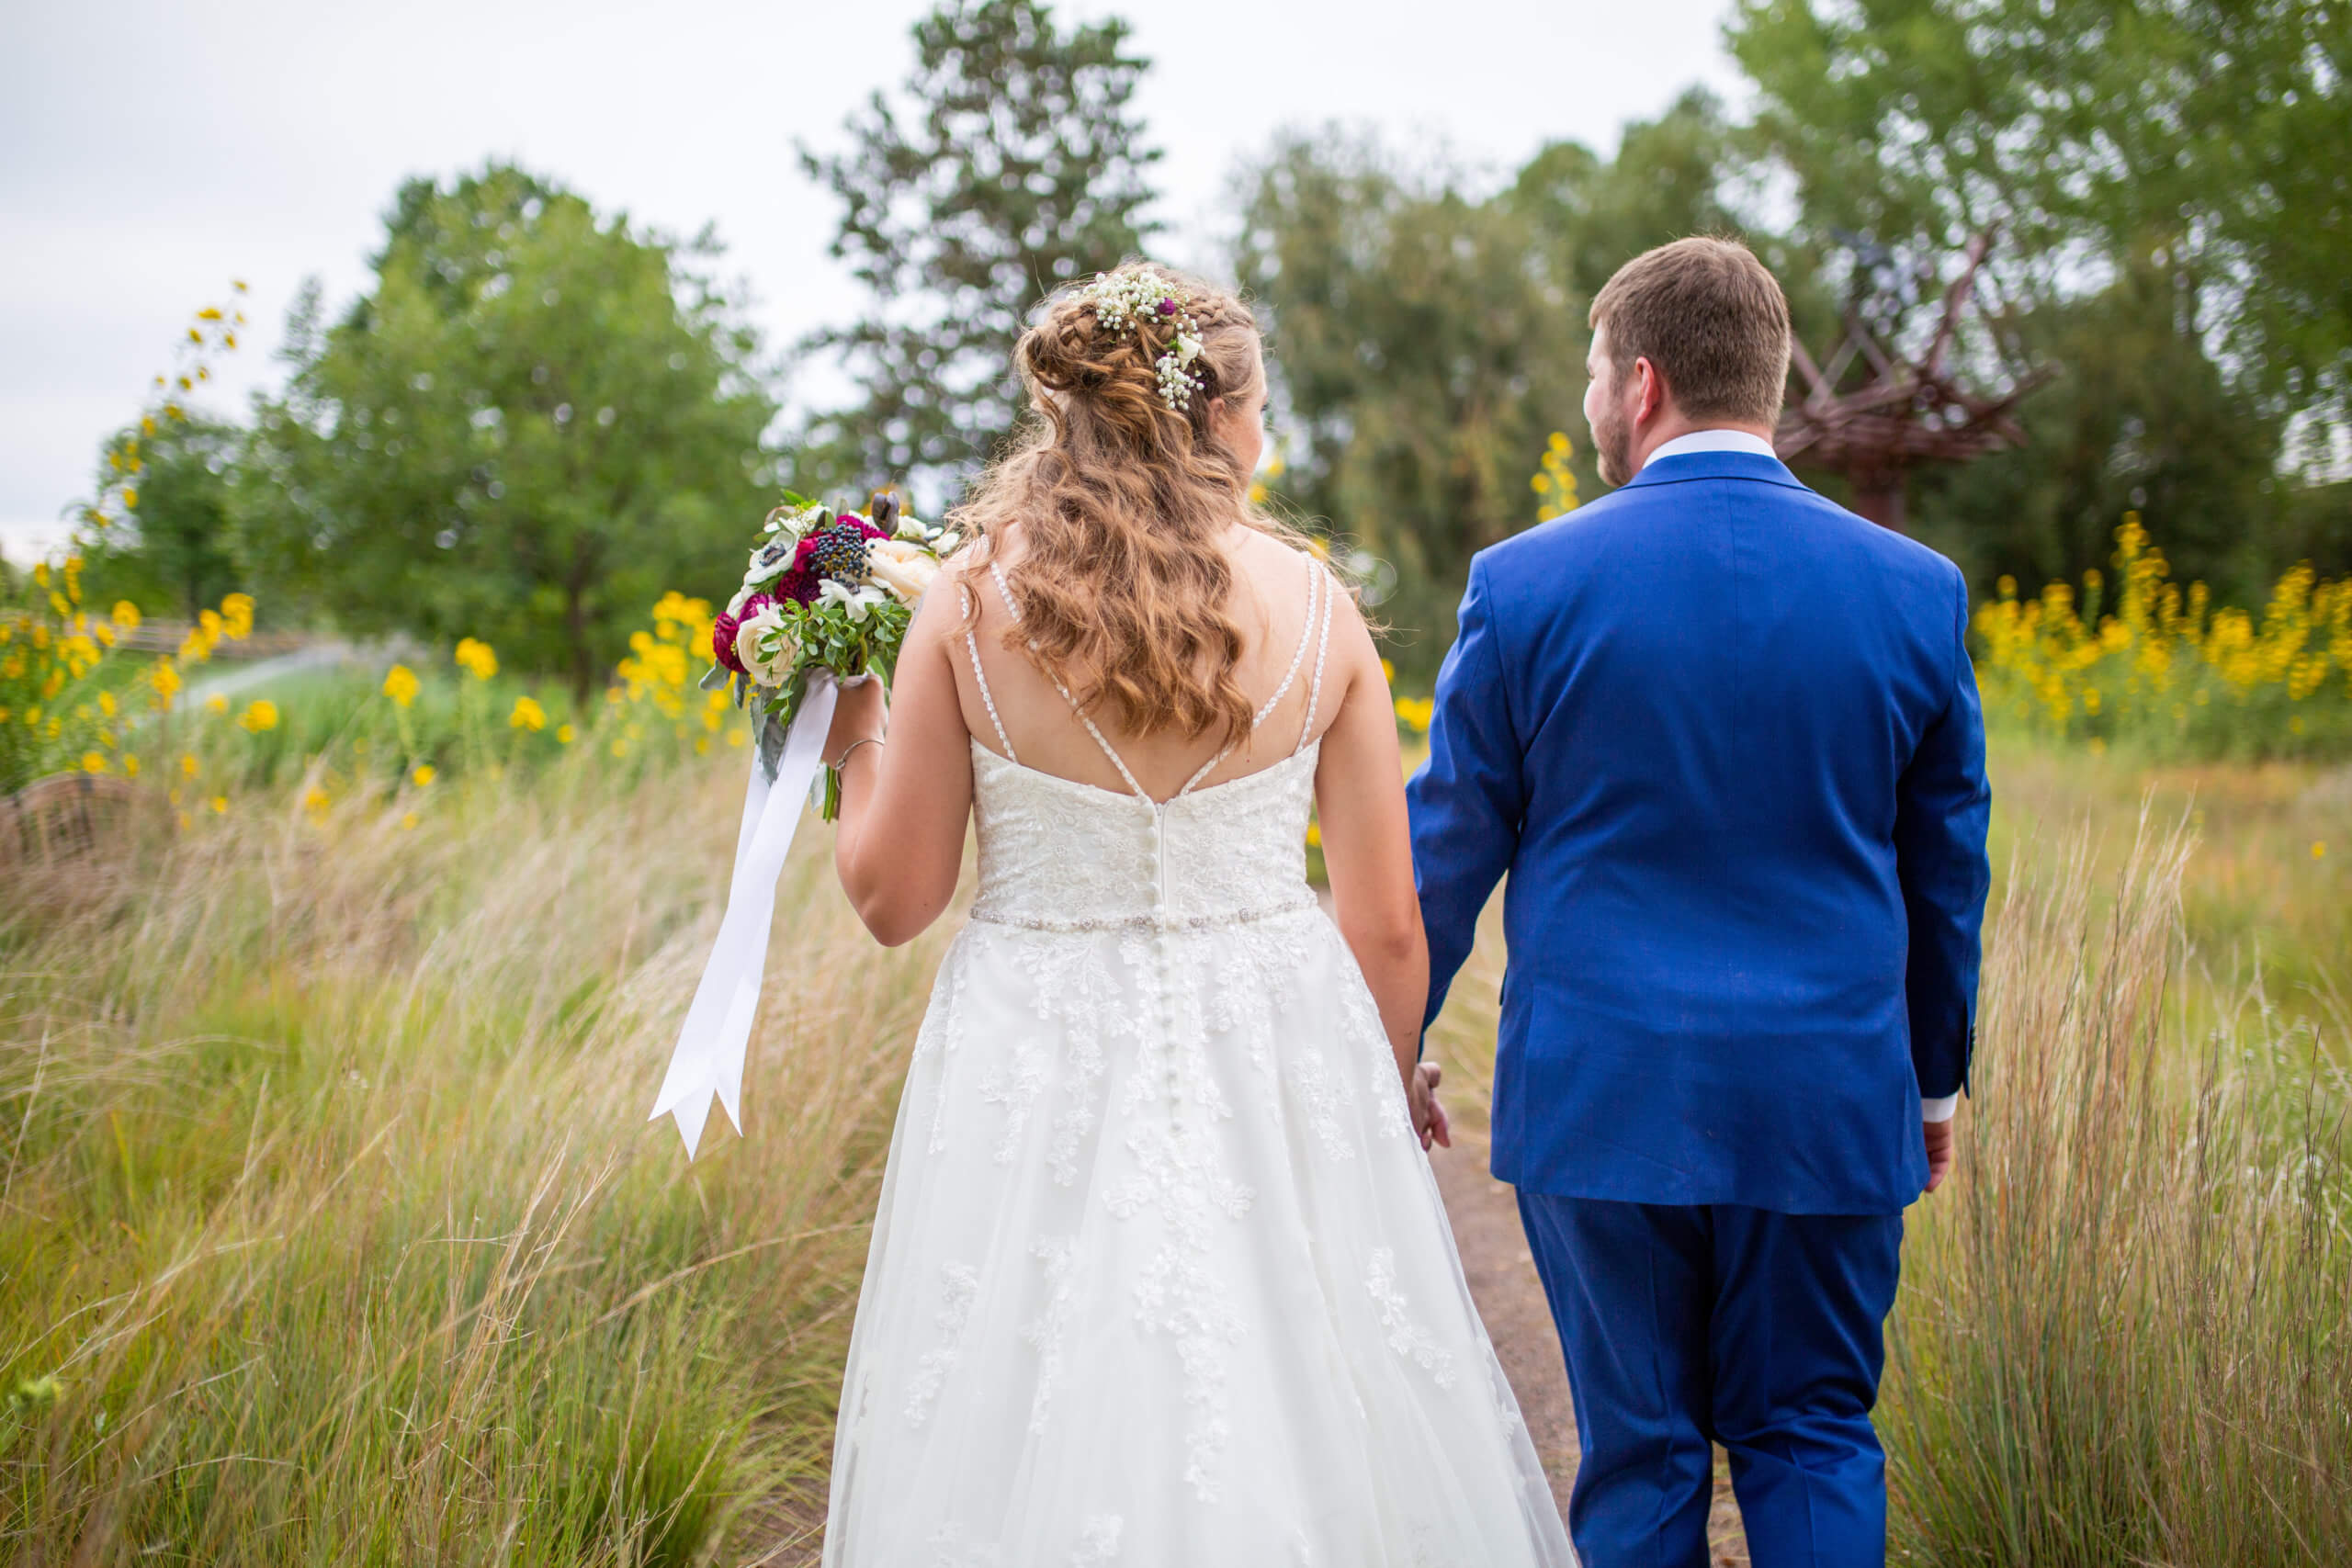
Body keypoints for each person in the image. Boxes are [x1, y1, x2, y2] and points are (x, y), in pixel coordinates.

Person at [813, 264, 1572, 1566]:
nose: (1265, 434)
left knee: (1024, 1391)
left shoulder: (968, 603)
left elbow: (894, 900)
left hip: (1031, 1048)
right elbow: (1388, 924)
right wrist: (1385, 1074)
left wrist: (853, 731)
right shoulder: (1318, 609)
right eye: (1262, 406)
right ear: (1216, 416)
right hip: (1269, 1042)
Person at [1408, 237, 1992, 1568]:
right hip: (1829, 1092)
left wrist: (1391, 1037)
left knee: (1644, 1449)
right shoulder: (1916, 592)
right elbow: (1946, 872)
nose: (1590, 403)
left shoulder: (1524, 585)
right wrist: (1931, 1085)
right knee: (1812, 1431)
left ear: (1644, 382)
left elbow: (1449, 848)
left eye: (1593, 375)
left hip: (1603, 1095)